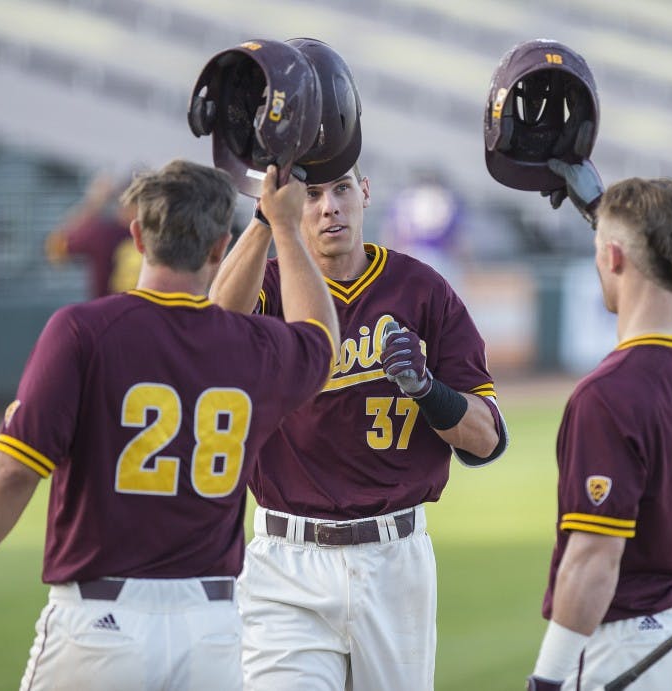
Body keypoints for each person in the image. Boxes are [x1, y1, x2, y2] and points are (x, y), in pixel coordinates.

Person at [0, 160, 339, 690]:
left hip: (100, 622)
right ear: (218, 248)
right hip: (212, 628)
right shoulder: (254, 345)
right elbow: (319, 339)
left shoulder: (82, 332)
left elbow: (12, 475)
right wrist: (286, 229)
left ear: (137, 234)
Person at [210, 159, 509, 690]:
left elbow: (486, 441)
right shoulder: (269, 283)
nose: (329, 207)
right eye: (312, 194)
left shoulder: (422, 290)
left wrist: (429, 391)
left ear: (365, 192)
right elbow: (209, 327)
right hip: (286, 558)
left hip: (394, 559)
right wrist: (263, 218)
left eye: (342, 189)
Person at [526, 168, 672, 691]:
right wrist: (600, 209)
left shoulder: (608, 395)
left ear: (612, 258)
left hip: (626, 651)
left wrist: (548, 679)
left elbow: (594, 558)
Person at [44, 170, 140, 298]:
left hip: (106, 313)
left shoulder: (102, 233)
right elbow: (57, 250)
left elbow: (56, 249)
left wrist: (94, 202)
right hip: (153, 313)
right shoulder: (163, 234)